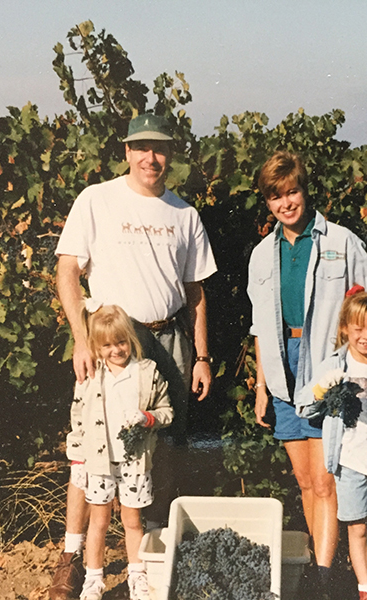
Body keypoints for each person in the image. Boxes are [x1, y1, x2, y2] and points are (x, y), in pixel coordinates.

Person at [49, 113, 217, 600]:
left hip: (170, 344)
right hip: (113, 344)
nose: (151, 157)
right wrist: (83, 340)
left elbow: (195, 292)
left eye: (160, 148)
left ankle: (149, 564)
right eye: (141, 147)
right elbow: (66, 272)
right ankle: (72, 559)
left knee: (160, 449)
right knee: (89, 453)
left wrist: (201, 355)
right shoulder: (97, 199)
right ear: (125, 151)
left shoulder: (184, 214)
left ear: (171, 155)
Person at [246, 151, 367, 593]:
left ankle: (321, 578)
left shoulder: (341, 241)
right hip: (282, 368)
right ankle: (319, 568)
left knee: (326, 479)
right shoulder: (263, 255)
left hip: (328, 373)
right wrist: (262, 387)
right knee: (304, 480)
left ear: (305, 190)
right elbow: (261, 327)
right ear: (268, 202)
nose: (286, 204)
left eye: (292, 192)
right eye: (276, 197)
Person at [298, 289, 367, 600]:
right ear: (345, 328)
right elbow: (304, 408)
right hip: (348, 463)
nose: (366, 336)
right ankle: (366, 589)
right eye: (358, 328)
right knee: (357, 528)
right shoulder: (335, 365)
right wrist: (323, 387)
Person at [66, 304, 173, 600]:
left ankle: (137, 576)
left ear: (131, 339)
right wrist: (77, 457)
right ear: (97, 347)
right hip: (99, 462)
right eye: (108, 345)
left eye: (121, 342)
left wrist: (147, 418)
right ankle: (93, 579)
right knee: (98, 521)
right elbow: (78, 417)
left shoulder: (146, 372)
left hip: (134, 462)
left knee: (132, 521)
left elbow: (166, 412)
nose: (116, 350)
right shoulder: (90, 375)